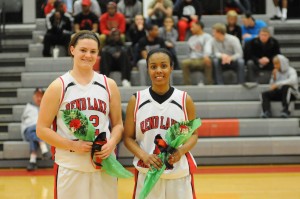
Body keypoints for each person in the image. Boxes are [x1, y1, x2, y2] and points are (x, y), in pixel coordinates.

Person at [36, 30, 123, 199]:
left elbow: (118, 124)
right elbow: (42, 129)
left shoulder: (109, 84)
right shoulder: (59, 86)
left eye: (93, 51)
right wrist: (73, 145)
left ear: (98, 53)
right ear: (72, 50)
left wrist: (111, 143)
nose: (88, 55)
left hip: (104, 165)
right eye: (83, 50)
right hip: (71, 165)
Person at [124, 48, 198, 199]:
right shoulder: (136, 100)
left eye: (163, 66)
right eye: (153, 66)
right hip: (147, 173)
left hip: (178, 175)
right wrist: (144, 156)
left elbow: (194, 135)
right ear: (148, 69)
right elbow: (127, 138)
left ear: (171, 68)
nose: (158, 70)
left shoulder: (184, 100)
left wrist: (180, 152)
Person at [21, 88, 51, 171]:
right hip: (28, 130)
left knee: (34, 134)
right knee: (33, 128)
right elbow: (24, 122)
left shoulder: (47, 108)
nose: (39, 98)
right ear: (33, 97)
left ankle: (32, 161)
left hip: (39, 133)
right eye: (37, 96)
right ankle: (43, 147)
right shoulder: (28, 107)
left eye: (41, 96)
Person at [181, 20, 213, 85]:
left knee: (208, 61)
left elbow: (208, 48)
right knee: (184, 63)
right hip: (193, 60)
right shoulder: (191, 38)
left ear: (199, 27)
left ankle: (209, 84)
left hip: (203, 59)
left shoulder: (207, 36)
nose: (191, 29)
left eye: (193, 27)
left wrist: (206, 56)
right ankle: (187, 85)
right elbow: (189, 51)